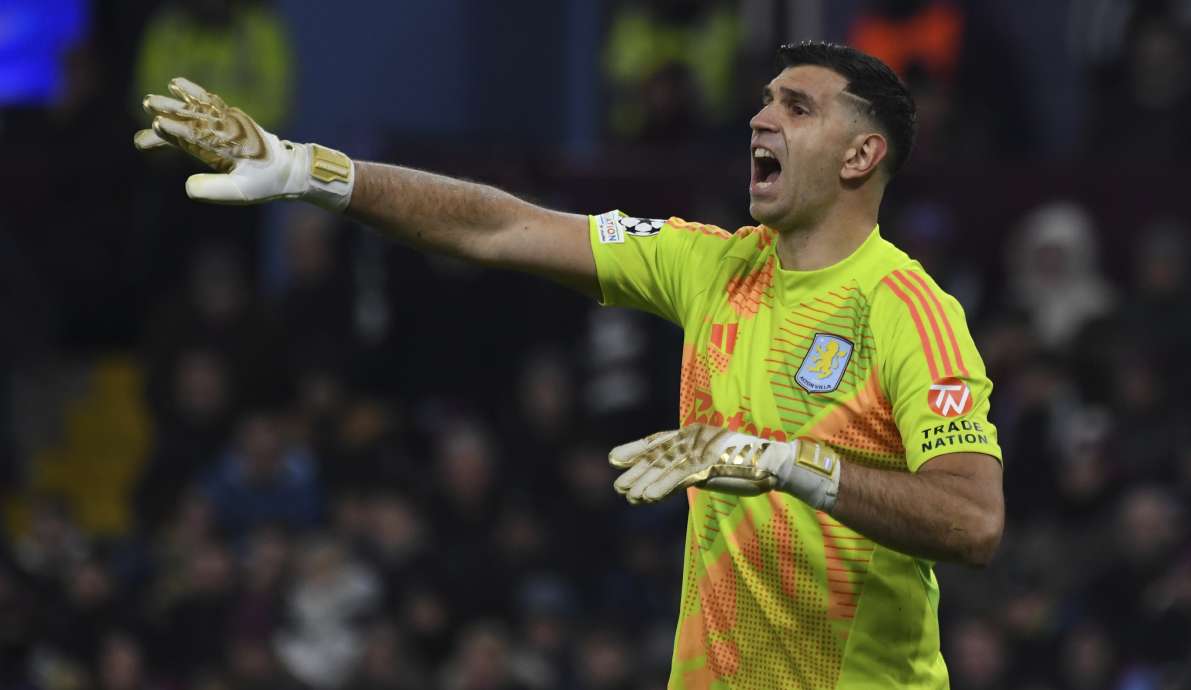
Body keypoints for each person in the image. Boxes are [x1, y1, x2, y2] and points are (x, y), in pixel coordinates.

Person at [135, 40, 1004, 689]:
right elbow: (503, 225)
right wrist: (305, 171)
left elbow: (973, 523)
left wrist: (785, 464)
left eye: (799, 107)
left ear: (861, 156)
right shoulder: (712, 263)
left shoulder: (908, 310)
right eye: (766, 101)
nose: (761, 119)